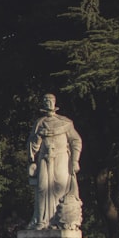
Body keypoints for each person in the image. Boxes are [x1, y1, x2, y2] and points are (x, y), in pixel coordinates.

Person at [27, 93, 83, 230]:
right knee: (42, 189)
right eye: (45, 100)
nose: (48, 102)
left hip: (61, 158)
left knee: (60, 188)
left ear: (55, 103)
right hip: (44, 159)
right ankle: (41, 221)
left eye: (50, 100)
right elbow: (32, 146)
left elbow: (76, 141)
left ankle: (58, 221)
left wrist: (75, 160)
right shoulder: (39, 123)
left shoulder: (65, 122)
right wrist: (36, 141)